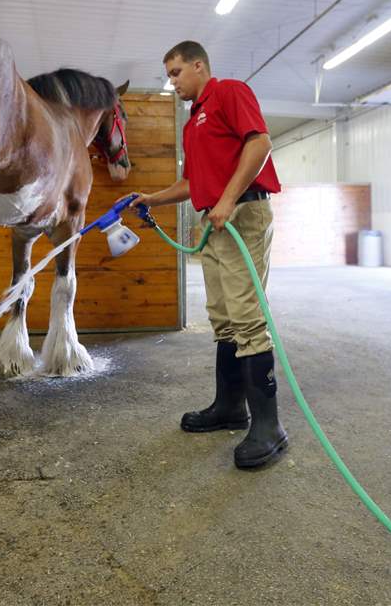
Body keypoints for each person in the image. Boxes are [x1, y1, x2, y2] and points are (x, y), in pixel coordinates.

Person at [130, 40, 288, 468]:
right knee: (222, 318)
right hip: (216, 223)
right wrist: (154, 199)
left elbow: (259, 144)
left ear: (199, 66)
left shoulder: (230, 92)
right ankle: (230, 408)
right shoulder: (191, 124)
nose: (172, 82)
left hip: (245, 215)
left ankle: (269, 428)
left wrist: (227, 201)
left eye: (176, 72)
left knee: (247, 317)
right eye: (169, 75)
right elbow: (192, 182)